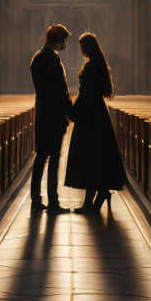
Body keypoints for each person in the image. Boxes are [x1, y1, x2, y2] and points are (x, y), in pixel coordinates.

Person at [64, 31, 127, 212]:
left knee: (89, 156)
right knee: (96, 156)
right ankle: (101, 193)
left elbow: (86, 93)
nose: (80, 49)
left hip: (90, 115)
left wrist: (73, 109)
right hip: (96, 113)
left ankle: (89, 203)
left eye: (82, 46)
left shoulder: (92, 66)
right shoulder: (98, 63)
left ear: (88, 47)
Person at [29, 21, 73, 211]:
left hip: (43, 114)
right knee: (53, 158)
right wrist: (71, 111)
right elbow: (60, 91)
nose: (65, 45)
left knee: (41, 158)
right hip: (53, 116)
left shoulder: (38, 57)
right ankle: (53, 202)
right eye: (64, 41)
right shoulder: (52, 60)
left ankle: (36, 199)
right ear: (57, 41)